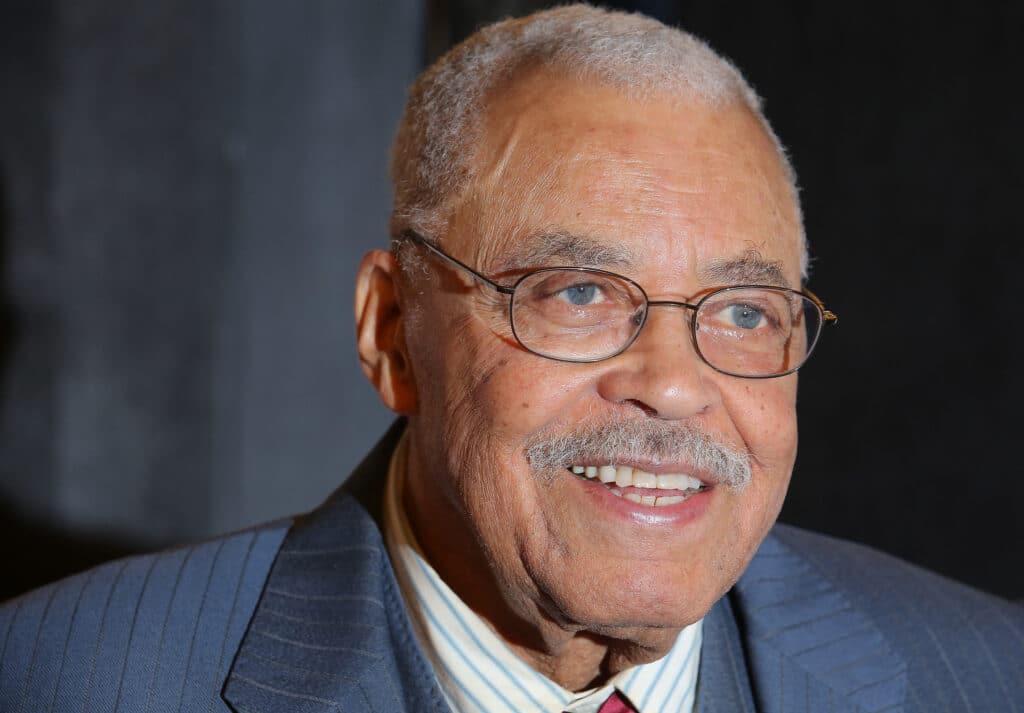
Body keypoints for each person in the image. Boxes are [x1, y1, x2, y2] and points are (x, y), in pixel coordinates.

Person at [2, 5, 1021, 712]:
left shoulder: (983, 674)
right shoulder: (68, 678)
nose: (673, 383)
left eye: (744, 311)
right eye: (578, 293)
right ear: (391, 330)